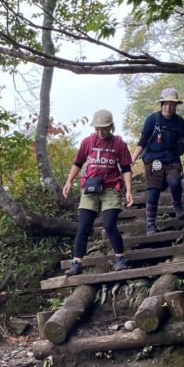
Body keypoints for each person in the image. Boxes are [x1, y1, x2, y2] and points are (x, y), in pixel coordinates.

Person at [61, 109, 134, 275]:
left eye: (104, 128)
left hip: (111, 188)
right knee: (83, 226)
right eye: (97, 128)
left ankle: (120, 258)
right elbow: (78, 163)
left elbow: (126, 168)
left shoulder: (119, 144)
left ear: (111, 127)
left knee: (109, 224)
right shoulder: (88, 142)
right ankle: (76, 263)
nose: (101, 132)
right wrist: (69, 181)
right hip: (90, 188)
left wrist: (128, 190)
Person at [131, 88, 184, 234]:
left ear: (176, 106)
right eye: (165, 104)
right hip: (153, 160)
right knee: (153, 193)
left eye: (172, 104)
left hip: (172, 159)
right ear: (161, 104)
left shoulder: (180, 122)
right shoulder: (152, 119)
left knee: (175, 182)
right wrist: (132, 159)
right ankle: (150, 223)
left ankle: (177, 204)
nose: (168, 107)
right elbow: (142, 141)